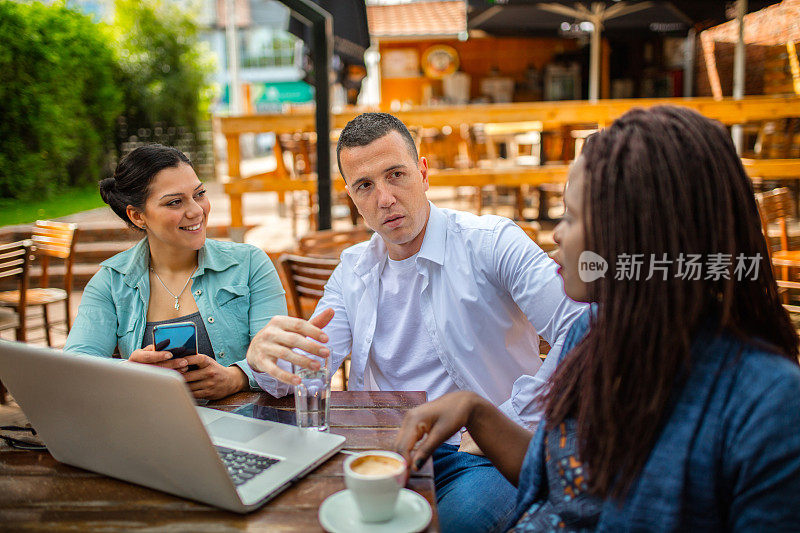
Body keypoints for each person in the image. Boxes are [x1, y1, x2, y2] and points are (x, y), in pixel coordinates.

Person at [394, 106, 800, 531]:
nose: (556, 234)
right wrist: (473, 409)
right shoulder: (594, 332)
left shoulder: (767, 405)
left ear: (633, 232)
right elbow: (555, 482)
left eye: (570, 216)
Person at [246, 113, 586, 532]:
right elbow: (305, 371)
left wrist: (504, 421)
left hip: (477, 456)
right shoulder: (352, 270)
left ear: (423, 173)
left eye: (396, 175)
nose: (384, 198)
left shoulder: (492, 242)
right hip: (381, 451)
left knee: (457, 525)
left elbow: (586, 334)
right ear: (352, 196)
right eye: (365, 186)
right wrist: (266, 358)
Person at [65, 144, 287, 400]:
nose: (196, 211)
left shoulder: (249, 264)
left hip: (245, 427)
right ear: (137, 216)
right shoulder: (110, 282)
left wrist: (235, 378)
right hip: (153, 428)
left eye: (199, 194)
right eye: (174, 202)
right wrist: (128, 372)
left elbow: (281, 357)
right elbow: (76, 368)